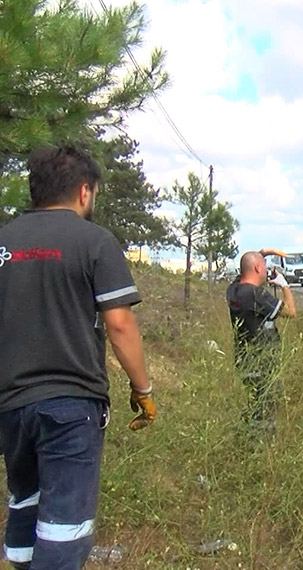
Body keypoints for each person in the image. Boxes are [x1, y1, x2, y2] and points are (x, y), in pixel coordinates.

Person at [0, 145, 157, 569]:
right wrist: (143, 389)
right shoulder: (95, 242)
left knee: (25, 499)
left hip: (11, 404)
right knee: (65, 524)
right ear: (84, 192)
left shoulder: (5, 240)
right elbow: (120, 324)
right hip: (71, 405)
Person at [226, 249, 296, 428]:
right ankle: (260, 443)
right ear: (257, 268)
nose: (267, 271)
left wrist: (262, 253)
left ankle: (248, 433)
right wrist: (284, 285)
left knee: (255, 402)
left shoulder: (233, 290)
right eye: (264, 266)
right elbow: (290, 311)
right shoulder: (255, 294)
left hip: (244, 359)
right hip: (261, 361)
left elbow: (245, 267)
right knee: (267, 406)